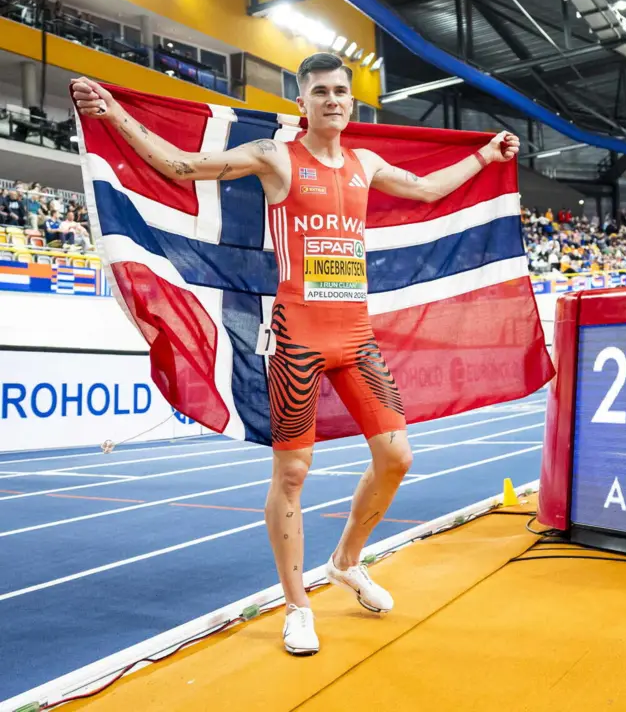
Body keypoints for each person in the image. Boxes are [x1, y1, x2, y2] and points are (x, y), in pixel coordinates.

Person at [70, 52, 520, 656]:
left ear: (351, 103)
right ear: (301, 103)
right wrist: (115, 112)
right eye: (321, 92)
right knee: (293, 473)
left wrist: (484, 157)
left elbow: (423, 189)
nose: (333, 100)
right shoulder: (277, 157)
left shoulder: (365, 163)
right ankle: (297, 605)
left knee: (397, 457)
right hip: (298, 339)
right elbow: (181, 166)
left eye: (342, 91)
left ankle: (346, 562)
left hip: (356, 337)